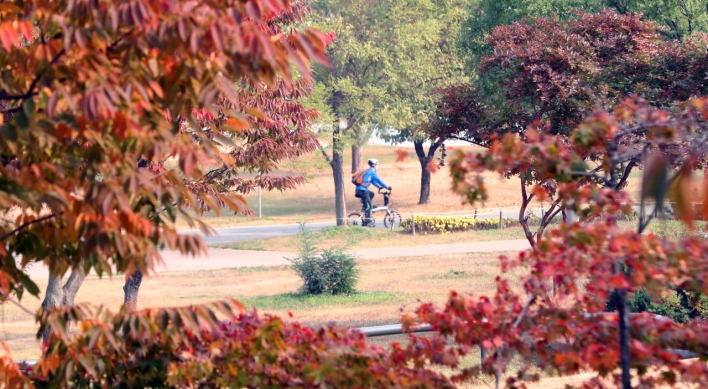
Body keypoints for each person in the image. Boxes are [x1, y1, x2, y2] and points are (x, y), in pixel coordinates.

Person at [355, 158, 391, 226]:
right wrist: (387, 187)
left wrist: (379, 186)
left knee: (371, 194)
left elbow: (372, 181)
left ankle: (364, 206)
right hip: (363, 191)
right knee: (368, 206)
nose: (377, 166)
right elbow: (379, 180)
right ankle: (368, 222)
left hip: (359, 190)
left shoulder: (368, 171)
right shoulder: (372, 172)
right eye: (377, 165)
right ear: (374, 165)